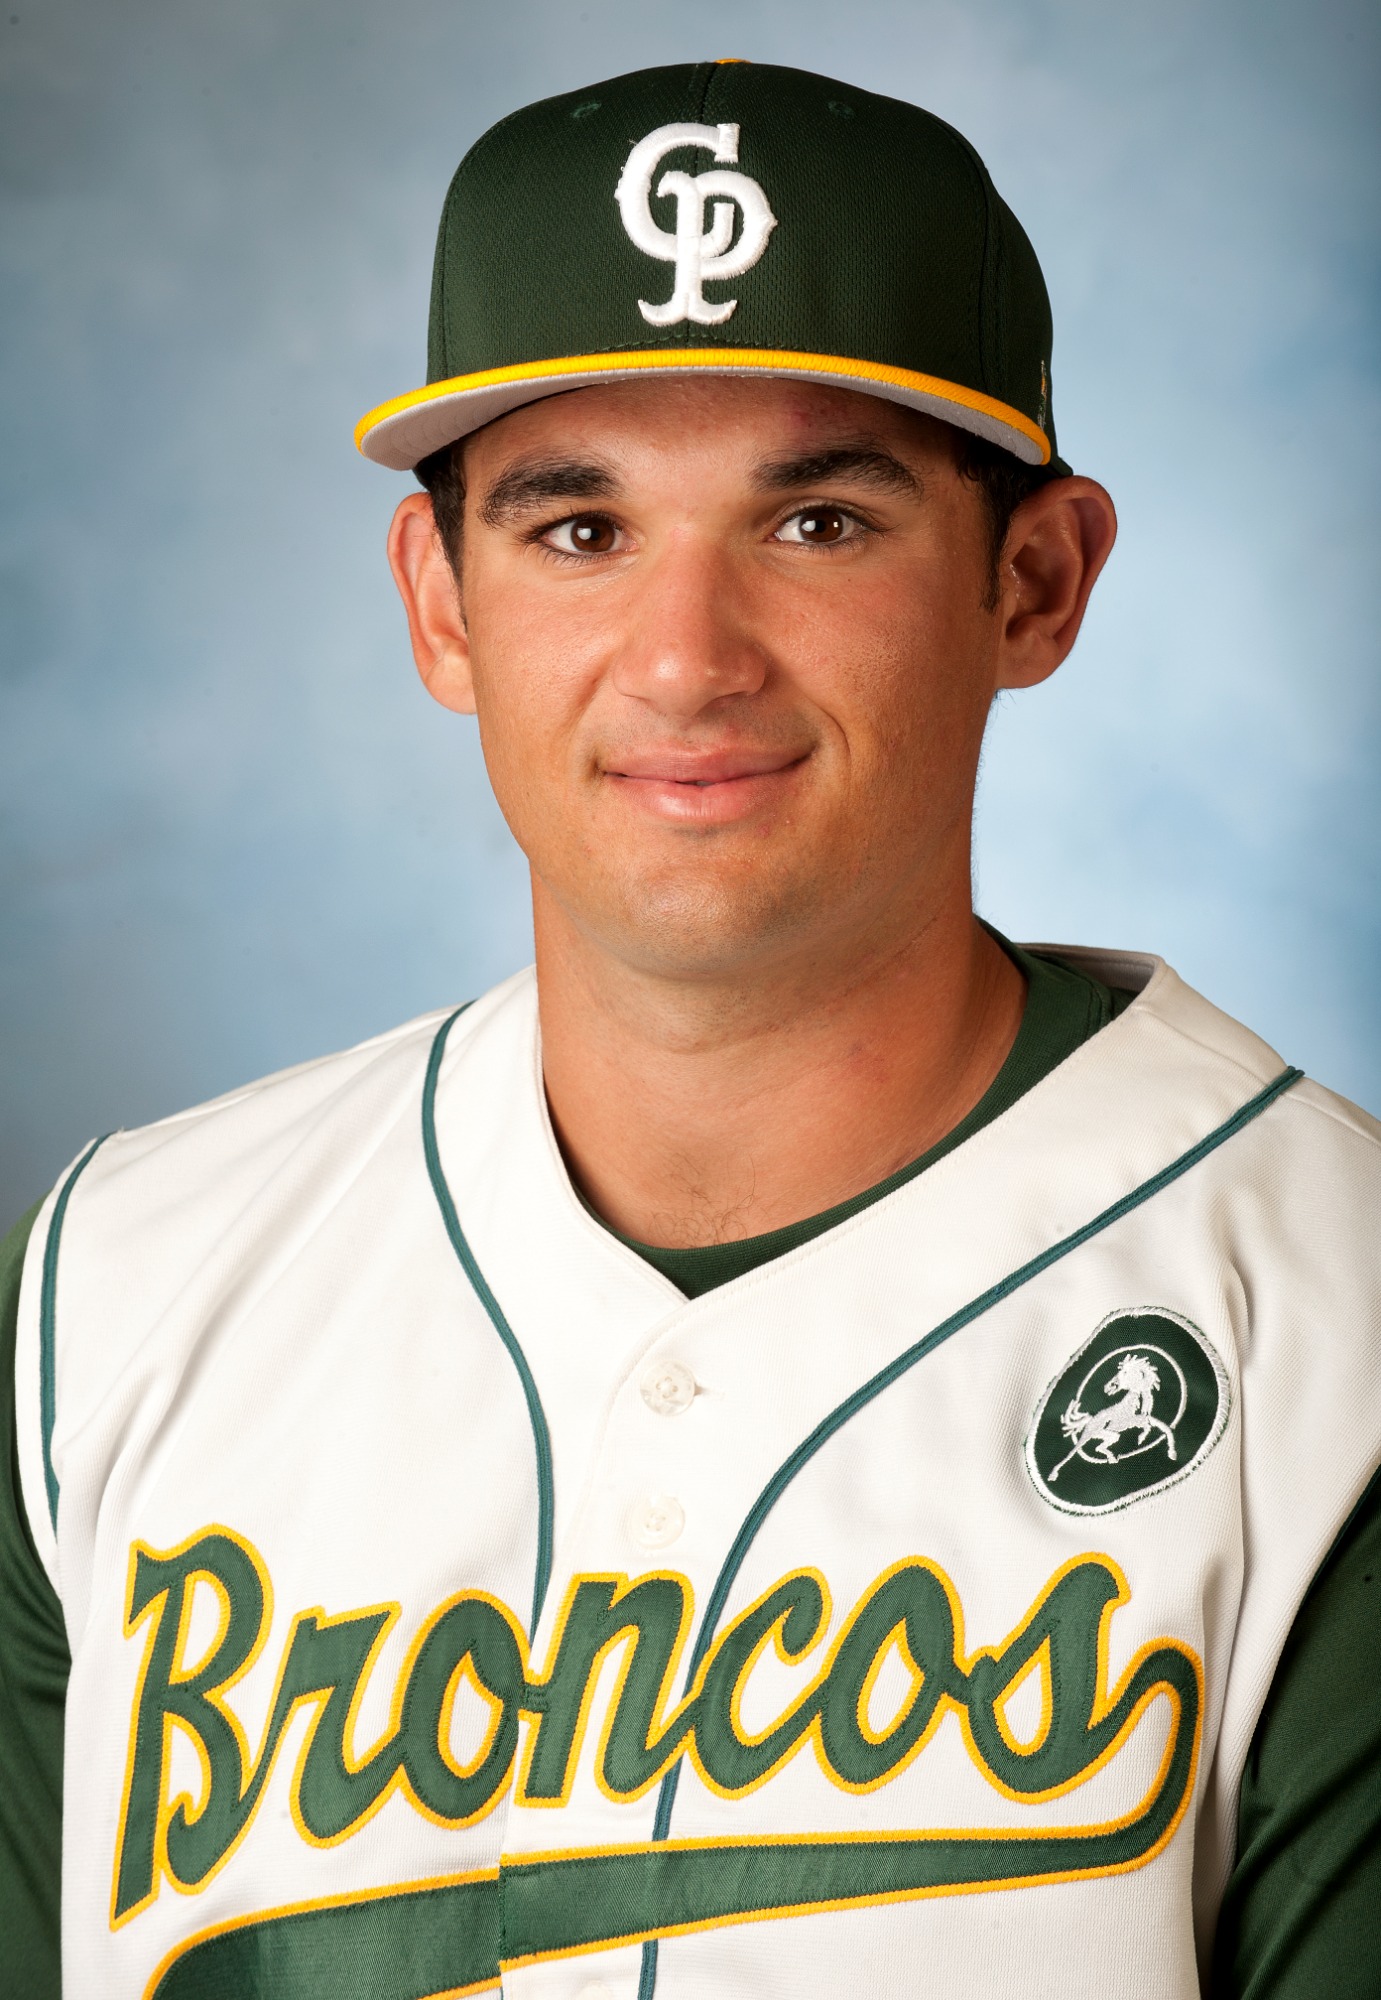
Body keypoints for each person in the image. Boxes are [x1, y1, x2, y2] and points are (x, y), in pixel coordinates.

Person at [2, 59, 1378, 2000]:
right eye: (577, 531)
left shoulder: (1336, 1328)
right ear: (440, 603)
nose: (683, 655)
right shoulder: (108, 1307)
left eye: (816, 521)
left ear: (1034, 579)